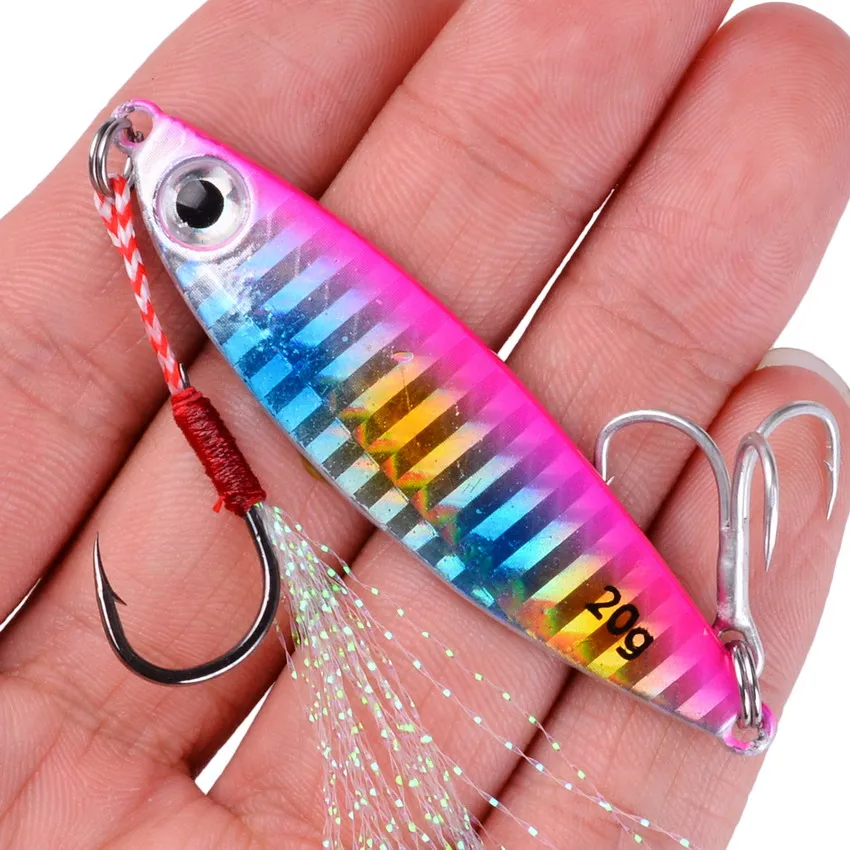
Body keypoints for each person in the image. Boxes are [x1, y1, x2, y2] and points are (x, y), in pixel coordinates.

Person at [0, 1, 848, 847]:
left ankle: (712, 691)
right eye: (198, 206)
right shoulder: (226, 289)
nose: (190, 207)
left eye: (201, 203)